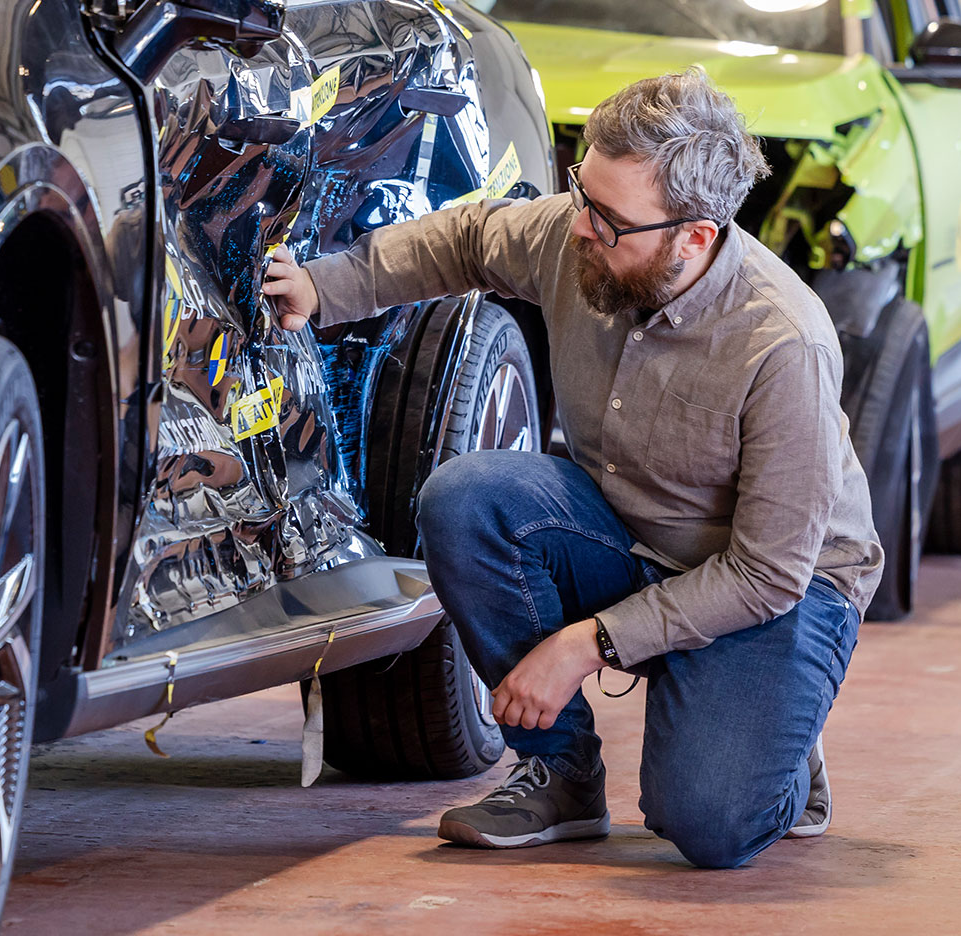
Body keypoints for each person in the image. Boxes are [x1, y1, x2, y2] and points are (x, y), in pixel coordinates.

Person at [262, 71, 882, 869]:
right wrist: (323, 285)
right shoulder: (581, 232)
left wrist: (585, 643)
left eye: (610, 219)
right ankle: (559, 775)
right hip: (628, 531)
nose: (581, 227)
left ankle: (781, 740)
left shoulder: (782, 342)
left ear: (692, 237)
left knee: (711, 825)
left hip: (778, 590)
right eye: (579, 192)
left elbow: (767, 574)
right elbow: (465, 239)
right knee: (468, 500)